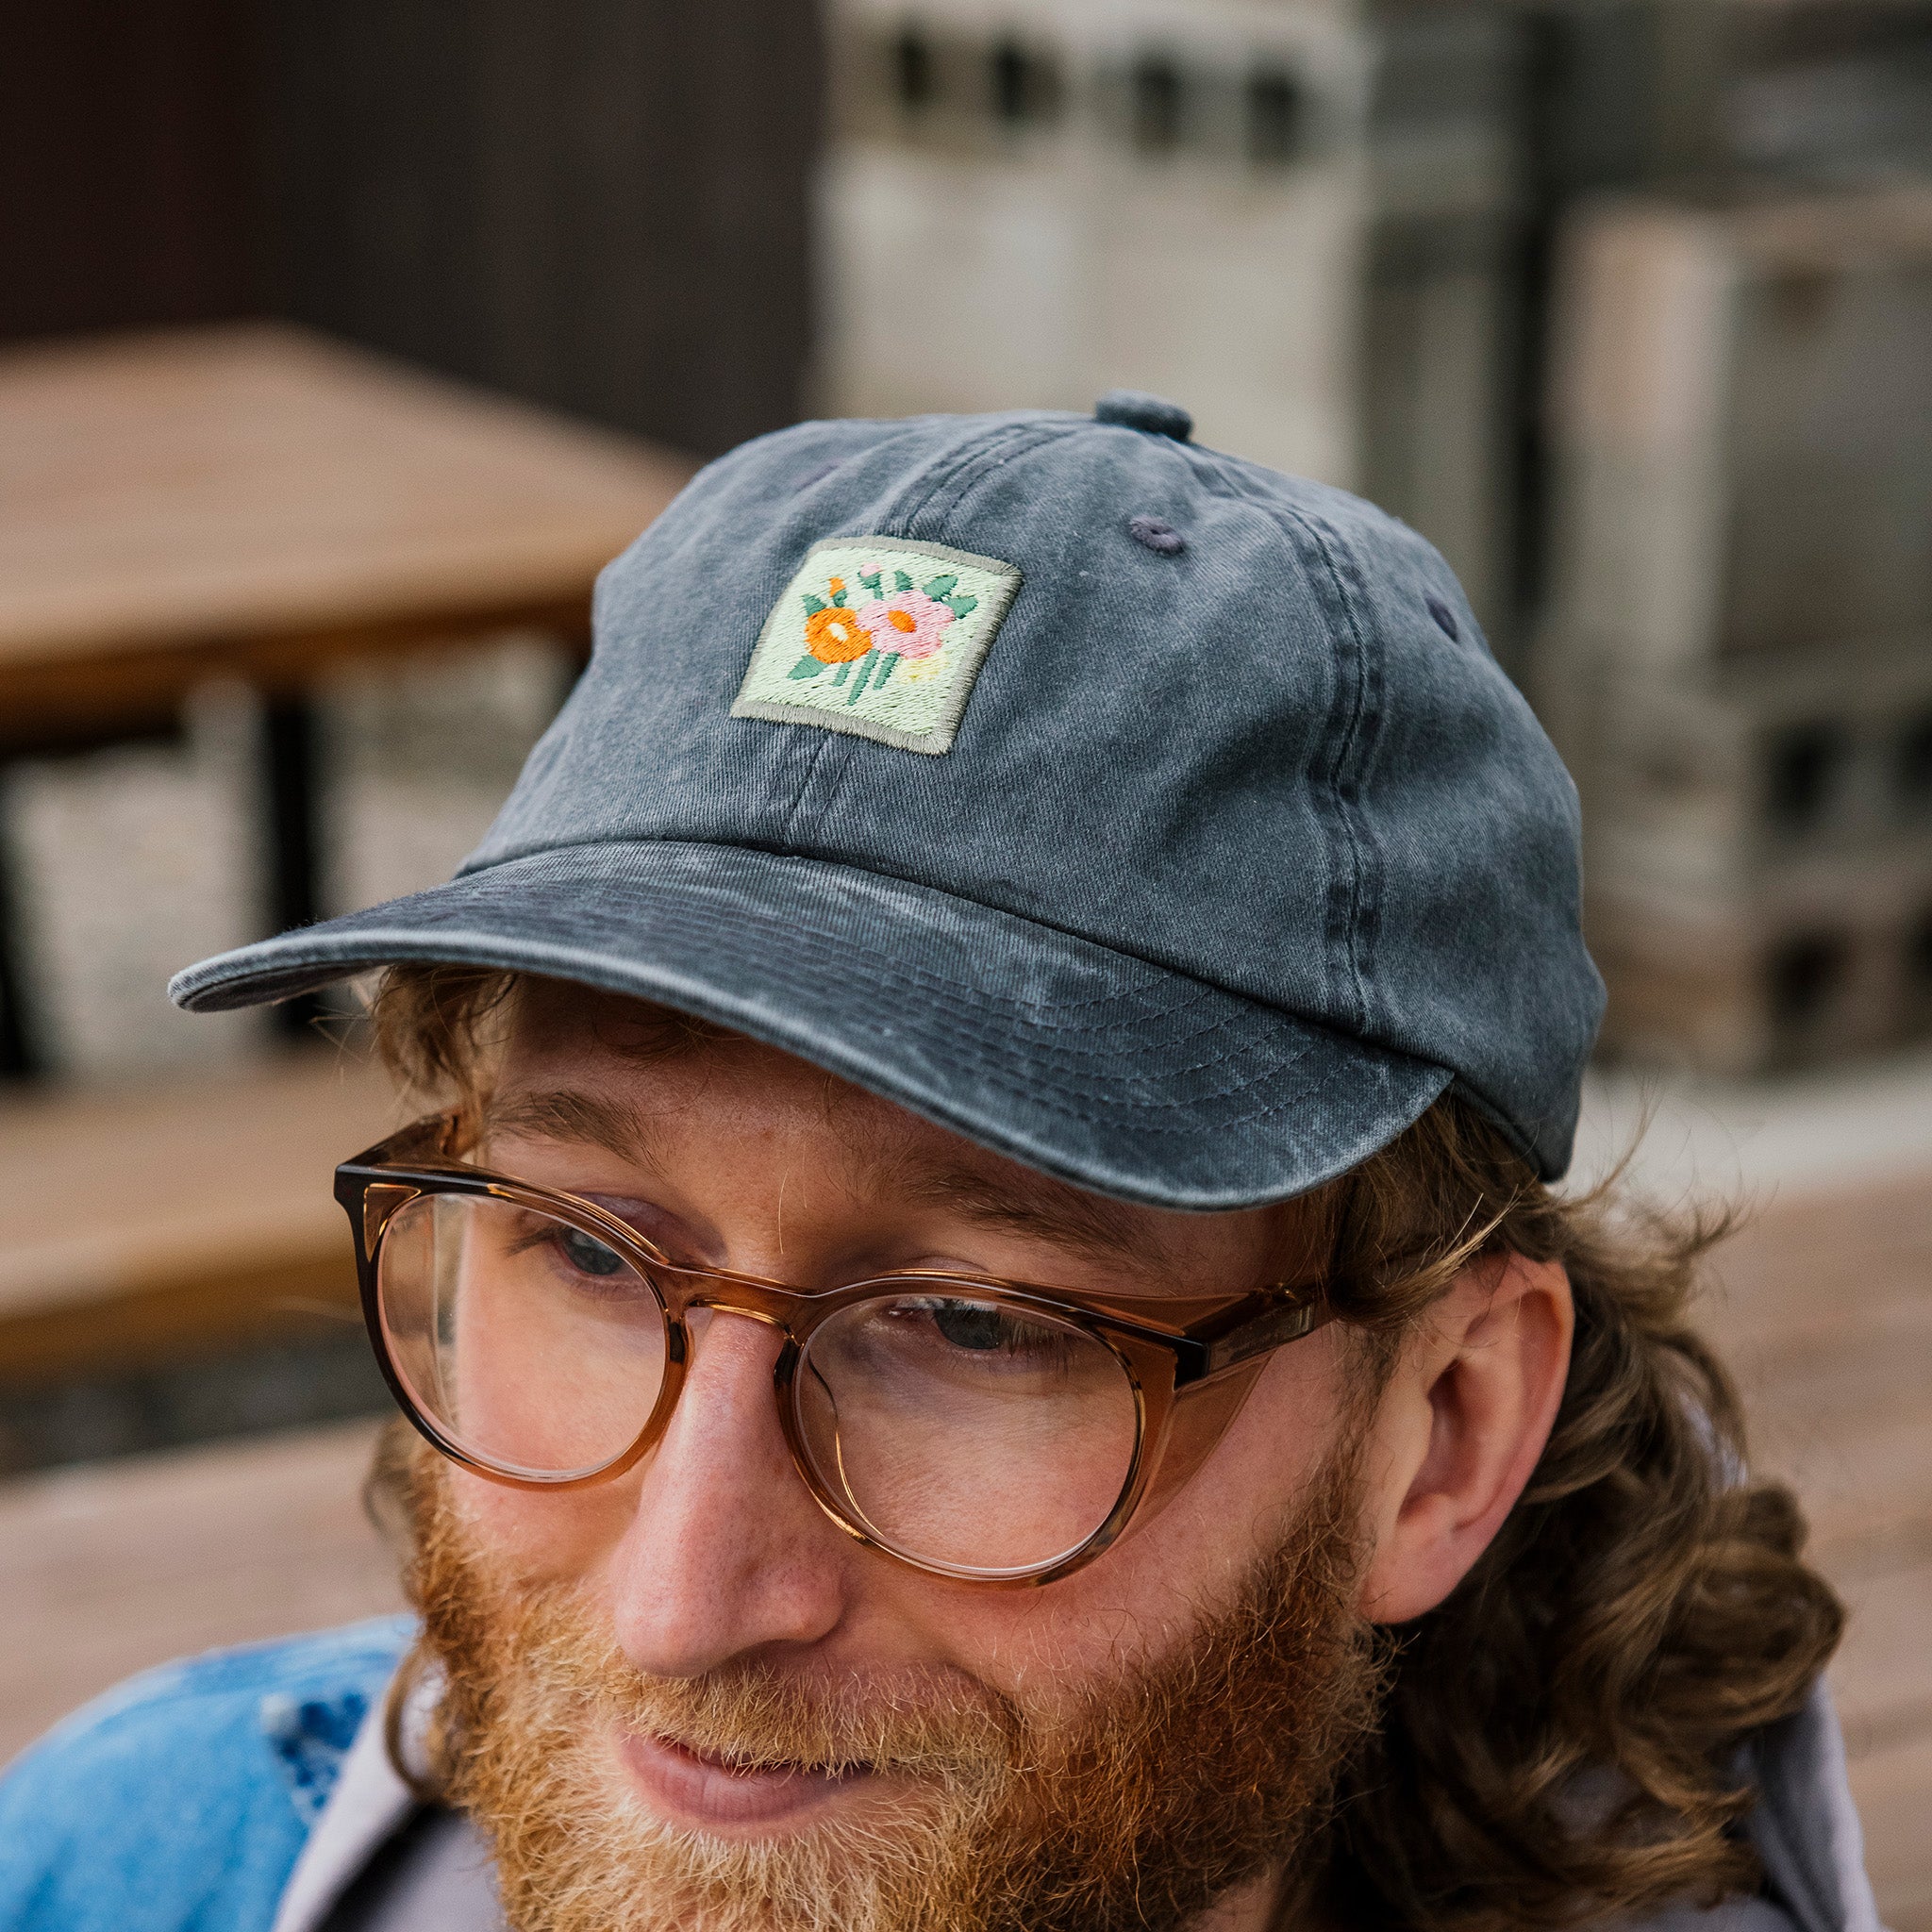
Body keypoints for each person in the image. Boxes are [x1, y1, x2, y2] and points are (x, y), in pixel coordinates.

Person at [0, 393, 1874, 1932]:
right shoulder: (140, 1869)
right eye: (582, 1251)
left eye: (979, 1324)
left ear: (1445, 1432)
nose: (685, 1597)